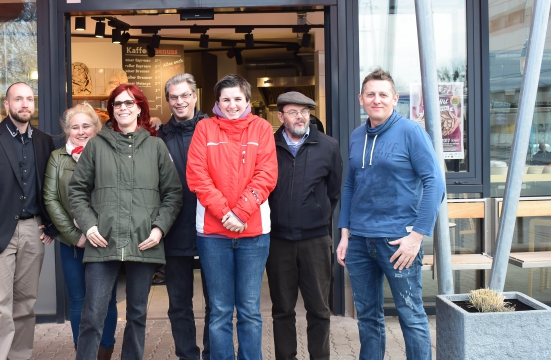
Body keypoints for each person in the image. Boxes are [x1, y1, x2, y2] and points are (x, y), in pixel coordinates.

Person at [335, 68, 444, 360]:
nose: (377, 99)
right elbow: (350, 184)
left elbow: (436, 183)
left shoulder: (411, 132)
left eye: (383, 94)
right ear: (361, 99)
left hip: (398, 242)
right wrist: (344, 233)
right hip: (359, 241)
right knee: (368, 317)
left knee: (411, 315)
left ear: (395, 99)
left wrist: (417, 237)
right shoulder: (358, 136)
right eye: (371, 94)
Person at [68, 84, 183, 360]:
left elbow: (173, 194)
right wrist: (89, 225)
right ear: (112, 110)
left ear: (140, 107)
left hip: (143, 243)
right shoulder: (96, 145)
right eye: (117, 104)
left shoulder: (156, 146)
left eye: (129, 103)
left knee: (137, 315)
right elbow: (76, 191)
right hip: (102, 241)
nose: (123, 108)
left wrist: (159, 228)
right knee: (92, 316)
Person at [186, 74, 278, 360]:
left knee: (250, 309)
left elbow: (267, 174)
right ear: (217, 102)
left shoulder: (262, 129)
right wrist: (226, 214)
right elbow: (197, 176)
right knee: (220, 310)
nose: (232, 105)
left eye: (238, 99)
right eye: (226, 99)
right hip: (213, 235)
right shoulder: (204, 129)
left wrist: (240, 212)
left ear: (247, 101)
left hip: (254, 234)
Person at [0, 82, 56, 360]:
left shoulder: (43, 141)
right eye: (18, 99)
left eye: (29, 99)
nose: (25, 104)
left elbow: (49, 188)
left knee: (25, 305)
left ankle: (20, 356)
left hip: (33, 230)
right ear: (7, 105)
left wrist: (50, 224)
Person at [267, 91, 343, 360]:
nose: (300, 117)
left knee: (320, 309)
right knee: (282, 310)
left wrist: (317, 215)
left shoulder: (328, 146)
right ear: (280, 116)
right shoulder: (268, 145)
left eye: (304, 112)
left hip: (315, 241)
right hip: (277, 241)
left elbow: (334, 192)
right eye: (293, 112)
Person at [43, 103, 118, 358]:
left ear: (96, 129)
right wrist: (76, 236)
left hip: (104, 240)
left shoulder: (109, 153)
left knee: (106, 299)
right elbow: (51, 199)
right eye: (75, 127)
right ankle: (83, 352)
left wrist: (100, 231)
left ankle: (105, 350)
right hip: (72, 243)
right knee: (79, 300)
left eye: (86, 126)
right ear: (68, 131)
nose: (81, 131)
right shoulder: (58, 158)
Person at [159, 73, 211, 360]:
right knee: (179, 303)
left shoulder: (214, 129)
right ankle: (187, 355)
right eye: (173, 97)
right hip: (174, 228)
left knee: (215, 302)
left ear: (194, 97)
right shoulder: (158, 136)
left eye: (184, 95)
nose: (179, 101)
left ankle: (212, 353)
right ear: (168, 101)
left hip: (211, 228)